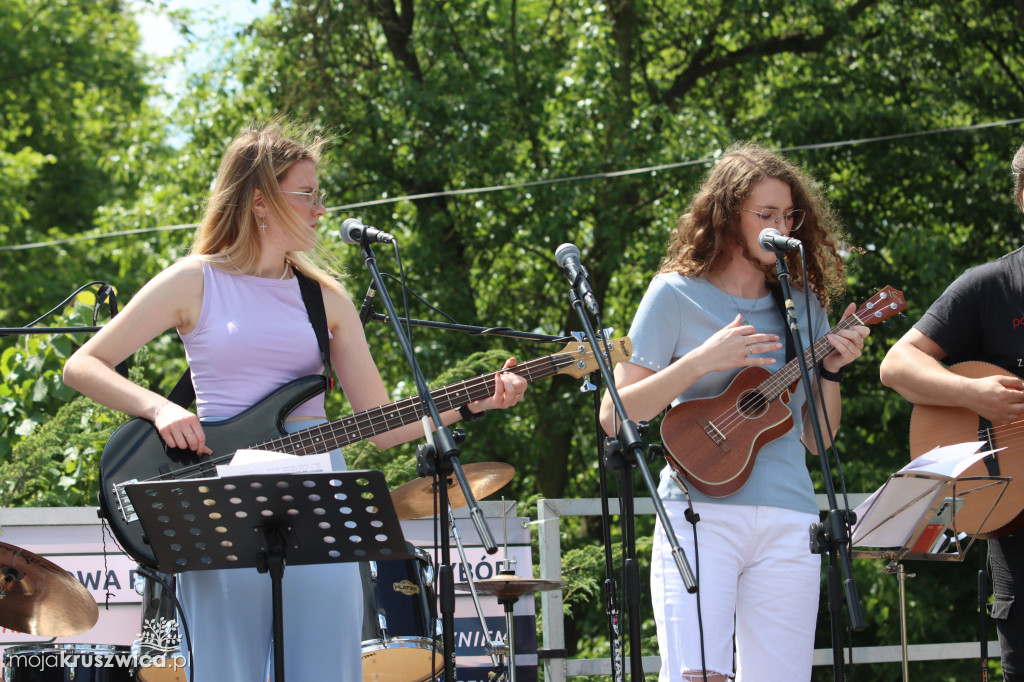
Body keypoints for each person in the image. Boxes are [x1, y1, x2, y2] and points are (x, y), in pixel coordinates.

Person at [62, 119, 528, 681]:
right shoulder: (195, 279)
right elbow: (82, 365)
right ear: (260, 202)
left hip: (318, 497)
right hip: (218, 499)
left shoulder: (327, 298)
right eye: (307, 194)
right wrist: (161, 408)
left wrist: (479, 400)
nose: (321, 209)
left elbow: (383, 426)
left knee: (324, 670)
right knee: (226, 671)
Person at [599, 141, 869, 681]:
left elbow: (819, 439)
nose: (781, 226)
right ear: (726, 216)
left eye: (788, 215)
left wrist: (833, 371)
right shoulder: (673, 295)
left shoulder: (802, 305)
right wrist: (701, 361)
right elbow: (616, 413)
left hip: (791, 517)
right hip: (700, 514)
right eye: (765, 215)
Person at [879, 140, 1024, 681]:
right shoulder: (989, 286)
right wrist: (974, 396)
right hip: (1016, 532)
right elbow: (896, 365)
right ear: (1021, 196)